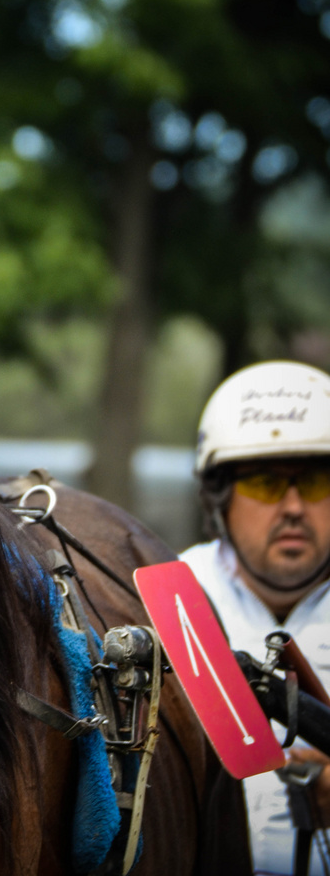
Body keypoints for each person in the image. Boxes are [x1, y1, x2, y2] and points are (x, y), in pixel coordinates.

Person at [180, 359, 330, 875]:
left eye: (314, 482)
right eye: (266, 482)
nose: (293, 507)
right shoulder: (172, 599)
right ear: (220, 494)